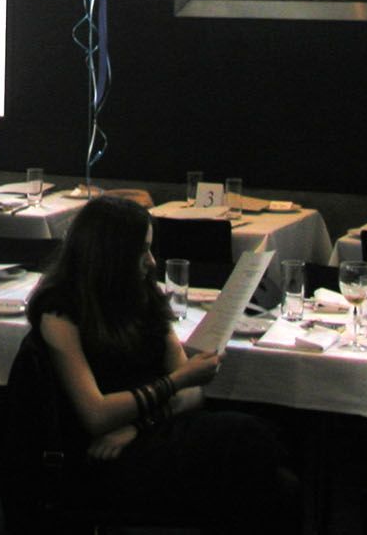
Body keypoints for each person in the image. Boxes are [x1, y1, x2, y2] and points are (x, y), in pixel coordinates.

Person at [20, 196, 295, 531]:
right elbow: (96, 414)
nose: (151, 261)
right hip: (97, 457)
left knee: (272, 481)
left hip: (143, 435)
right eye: (142, 250)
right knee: (254, 447)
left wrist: (137, 426)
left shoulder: (143, 298)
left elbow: (194, 395)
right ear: (112, 255)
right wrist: (174, 383)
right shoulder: (62, 312)